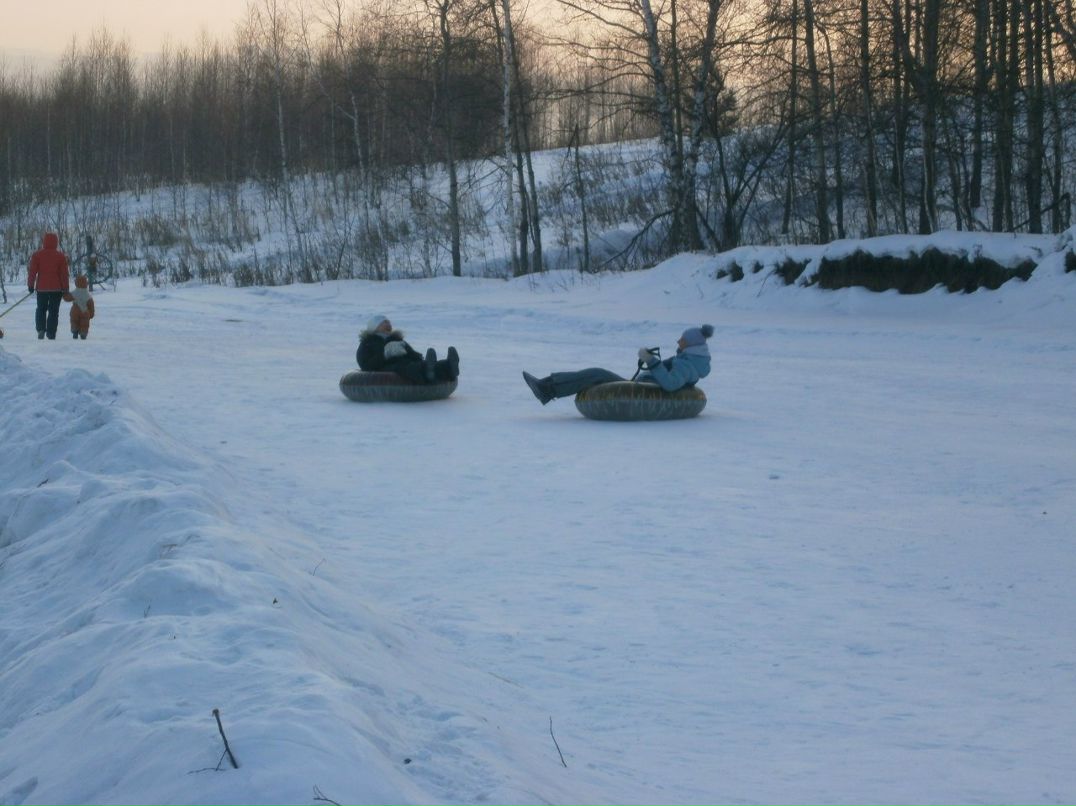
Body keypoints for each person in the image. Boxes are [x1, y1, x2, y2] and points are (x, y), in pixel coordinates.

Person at [522, 324, 714, 405]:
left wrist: (651, 361)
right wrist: (652, 360)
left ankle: (546, 388)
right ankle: (547, 387)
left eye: (682, 339)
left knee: (596, 374)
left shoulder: (687, 365)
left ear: (690, 344)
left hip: (645, 390)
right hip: (645, 385)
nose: (678, 341)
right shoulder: (689, 361)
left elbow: (671, 383)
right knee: (596, 375)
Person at [357, 314, 460, 384]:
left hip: (405, 362)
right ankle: (428, 374)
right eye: (384, 323)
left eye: (389, 322)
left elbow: (413, 355)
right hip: (386, 367)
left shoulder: (396, 339)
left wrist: (413, 354)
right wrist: (385, 355)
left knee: (422, 365)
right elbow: (365, 364)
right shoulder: (368, 343)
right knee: (407, 368)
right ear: (375, 327)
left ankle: (449, 366)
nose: (388, 324)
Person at [28, 232, 71, 340]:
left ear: (44, 242)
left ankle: (41, 329)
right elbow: (64, 274)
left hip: (41, 288)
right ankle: (51, 333)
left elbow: (32, 272)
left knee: (41, 309)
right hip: (56, 289)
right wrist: (65, 288)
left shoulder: (37, 255)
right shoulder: (60, 256)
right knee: (53, 311)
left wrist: (30, 285)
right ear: (56, 242)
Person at [65, 274, 95, 339]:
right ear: (86, 283)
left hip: (75, 310)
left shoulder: (75, 292)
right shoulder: (87, 294)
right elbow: (91, 305)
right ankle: (83, 333)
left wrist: (64, 294)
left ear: (76, 283)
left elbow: (67, 298)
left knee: (74, 321)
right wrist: (91, 314)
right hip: (84, 311)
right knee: (84, 323)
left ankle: (75, 330)